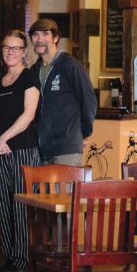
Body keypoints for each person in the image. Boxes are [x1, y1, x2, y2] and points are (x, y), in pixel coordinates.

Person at [0, 29, 41, 272]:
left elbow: (28, 116)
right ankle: (10, 258)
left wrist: (3, 139)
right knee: (4, 206)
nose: (10, 52)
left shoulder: (30, 78)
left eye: (15, 48)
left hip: (23, 152)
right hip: (0, 152)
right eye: (6, 48)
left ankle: (23, 261)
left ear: (24, 52)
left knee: (20, 207)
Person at [28, 19, 97, 166]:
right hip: (42, 149)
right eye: (35, 35)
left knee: (63, 190)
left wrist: (83, 133)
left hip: (66, 148)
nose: (40, 39)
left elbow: (88, 99)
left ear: (56, 37)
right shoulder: (34, 71)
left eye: (45, 34)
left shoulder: (69, 65)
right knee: (44, 190)